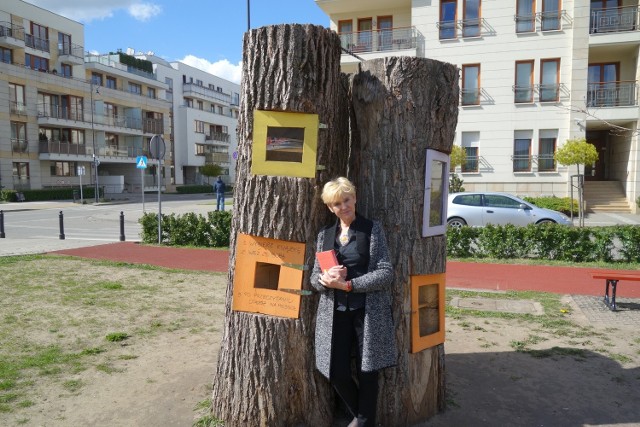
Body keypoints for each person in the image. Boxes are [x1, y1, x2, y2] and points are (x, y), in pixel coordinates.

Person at [310, 177, 396, 427]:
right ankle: (362, 416)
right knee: (335, 371)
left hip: (367, 313)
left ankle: (364, 421)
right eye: (336, 203)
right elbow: (314, 278)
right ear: (330, 208)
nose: (343, 206)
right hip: (334, 313)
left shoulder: (372, 229)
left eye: (346, 200)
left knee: (367, 370)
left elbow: (386, 272)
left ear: (355, 198)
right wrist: (326, 280)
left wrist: (350, 285)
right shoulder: (324, 235)